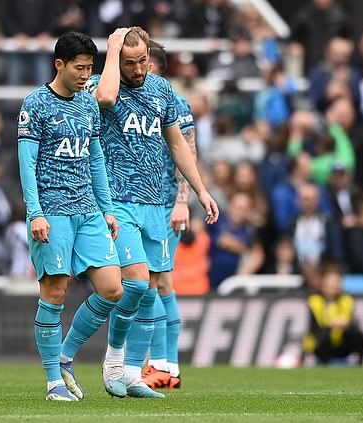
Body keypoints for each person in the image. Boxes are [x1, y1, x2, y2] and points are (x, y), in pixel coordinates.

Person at [79, 27, 218, 398]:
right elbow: (106, 98)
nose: (138, 69)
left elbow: (178, 143)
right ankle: (114, 362)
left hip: (156, 202)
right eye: (129, 62)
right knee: (138, 283)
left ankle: (132, 374)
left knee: (151, 287)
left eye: (142, 61)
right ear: (115, 60)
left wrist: (199, 191)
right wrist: (111, 50)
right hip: (117, 202)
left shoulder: (162, 91)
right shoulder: (99, 84)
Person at [17, 32, 123, 401]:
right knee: (55, 292)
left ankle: (64, 355)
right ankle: (53, 383)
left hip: (88, 210)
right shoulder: (35, 105)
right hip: (53, 211)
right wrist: (35, 213)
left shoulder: (88, 104)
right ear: (59, 64)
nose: (85, 75)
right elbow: (27, 165)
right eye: (79, 68)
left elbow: (95, 159)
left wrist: (107, 208)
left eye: (89, 68)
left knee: (113, 289)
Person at [141, 39, 196, 390]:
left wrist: (182, 200)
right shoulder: (135, 97)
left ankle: (162, 365)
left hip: (164, 204)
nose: (139, 69)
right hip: (140, 202)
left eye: (146, 63)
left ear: (158, 67)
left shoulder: (173, 101)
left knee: (155, 280)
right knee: (156, 282)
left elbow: (188, 152)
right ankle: (168, 368)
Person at [303, 267, 363, 365]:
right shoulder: (314, 300)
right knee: (324, 337)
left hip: (341, 341)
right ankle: (317, 360)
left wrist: (346, 324)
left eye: (337, 281)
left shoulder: (347, 300)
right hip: (322, 342)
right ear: (323, 283)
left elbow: (350, 321)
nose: (334, 285)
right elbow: (315, 328)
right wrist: (332, 324)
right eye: (331, 281)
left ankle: (357, 362)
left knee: (358, 335)